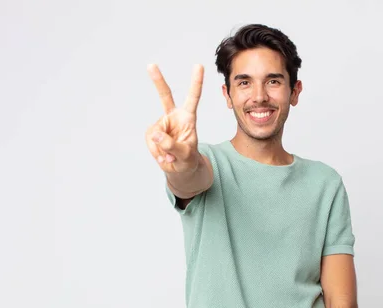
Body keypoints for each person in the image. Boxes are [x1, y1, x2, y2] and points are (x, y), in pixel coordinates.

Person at [145, 24, 357, 308]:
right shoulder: (208, 163)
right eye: (244, 82)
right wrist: (181, 165)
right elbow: (191, 178)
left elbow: (341, 300)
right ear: (227, 95)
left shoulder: (325, 183)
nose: (259, 96)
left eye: (273, 81)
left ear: (295, 91)